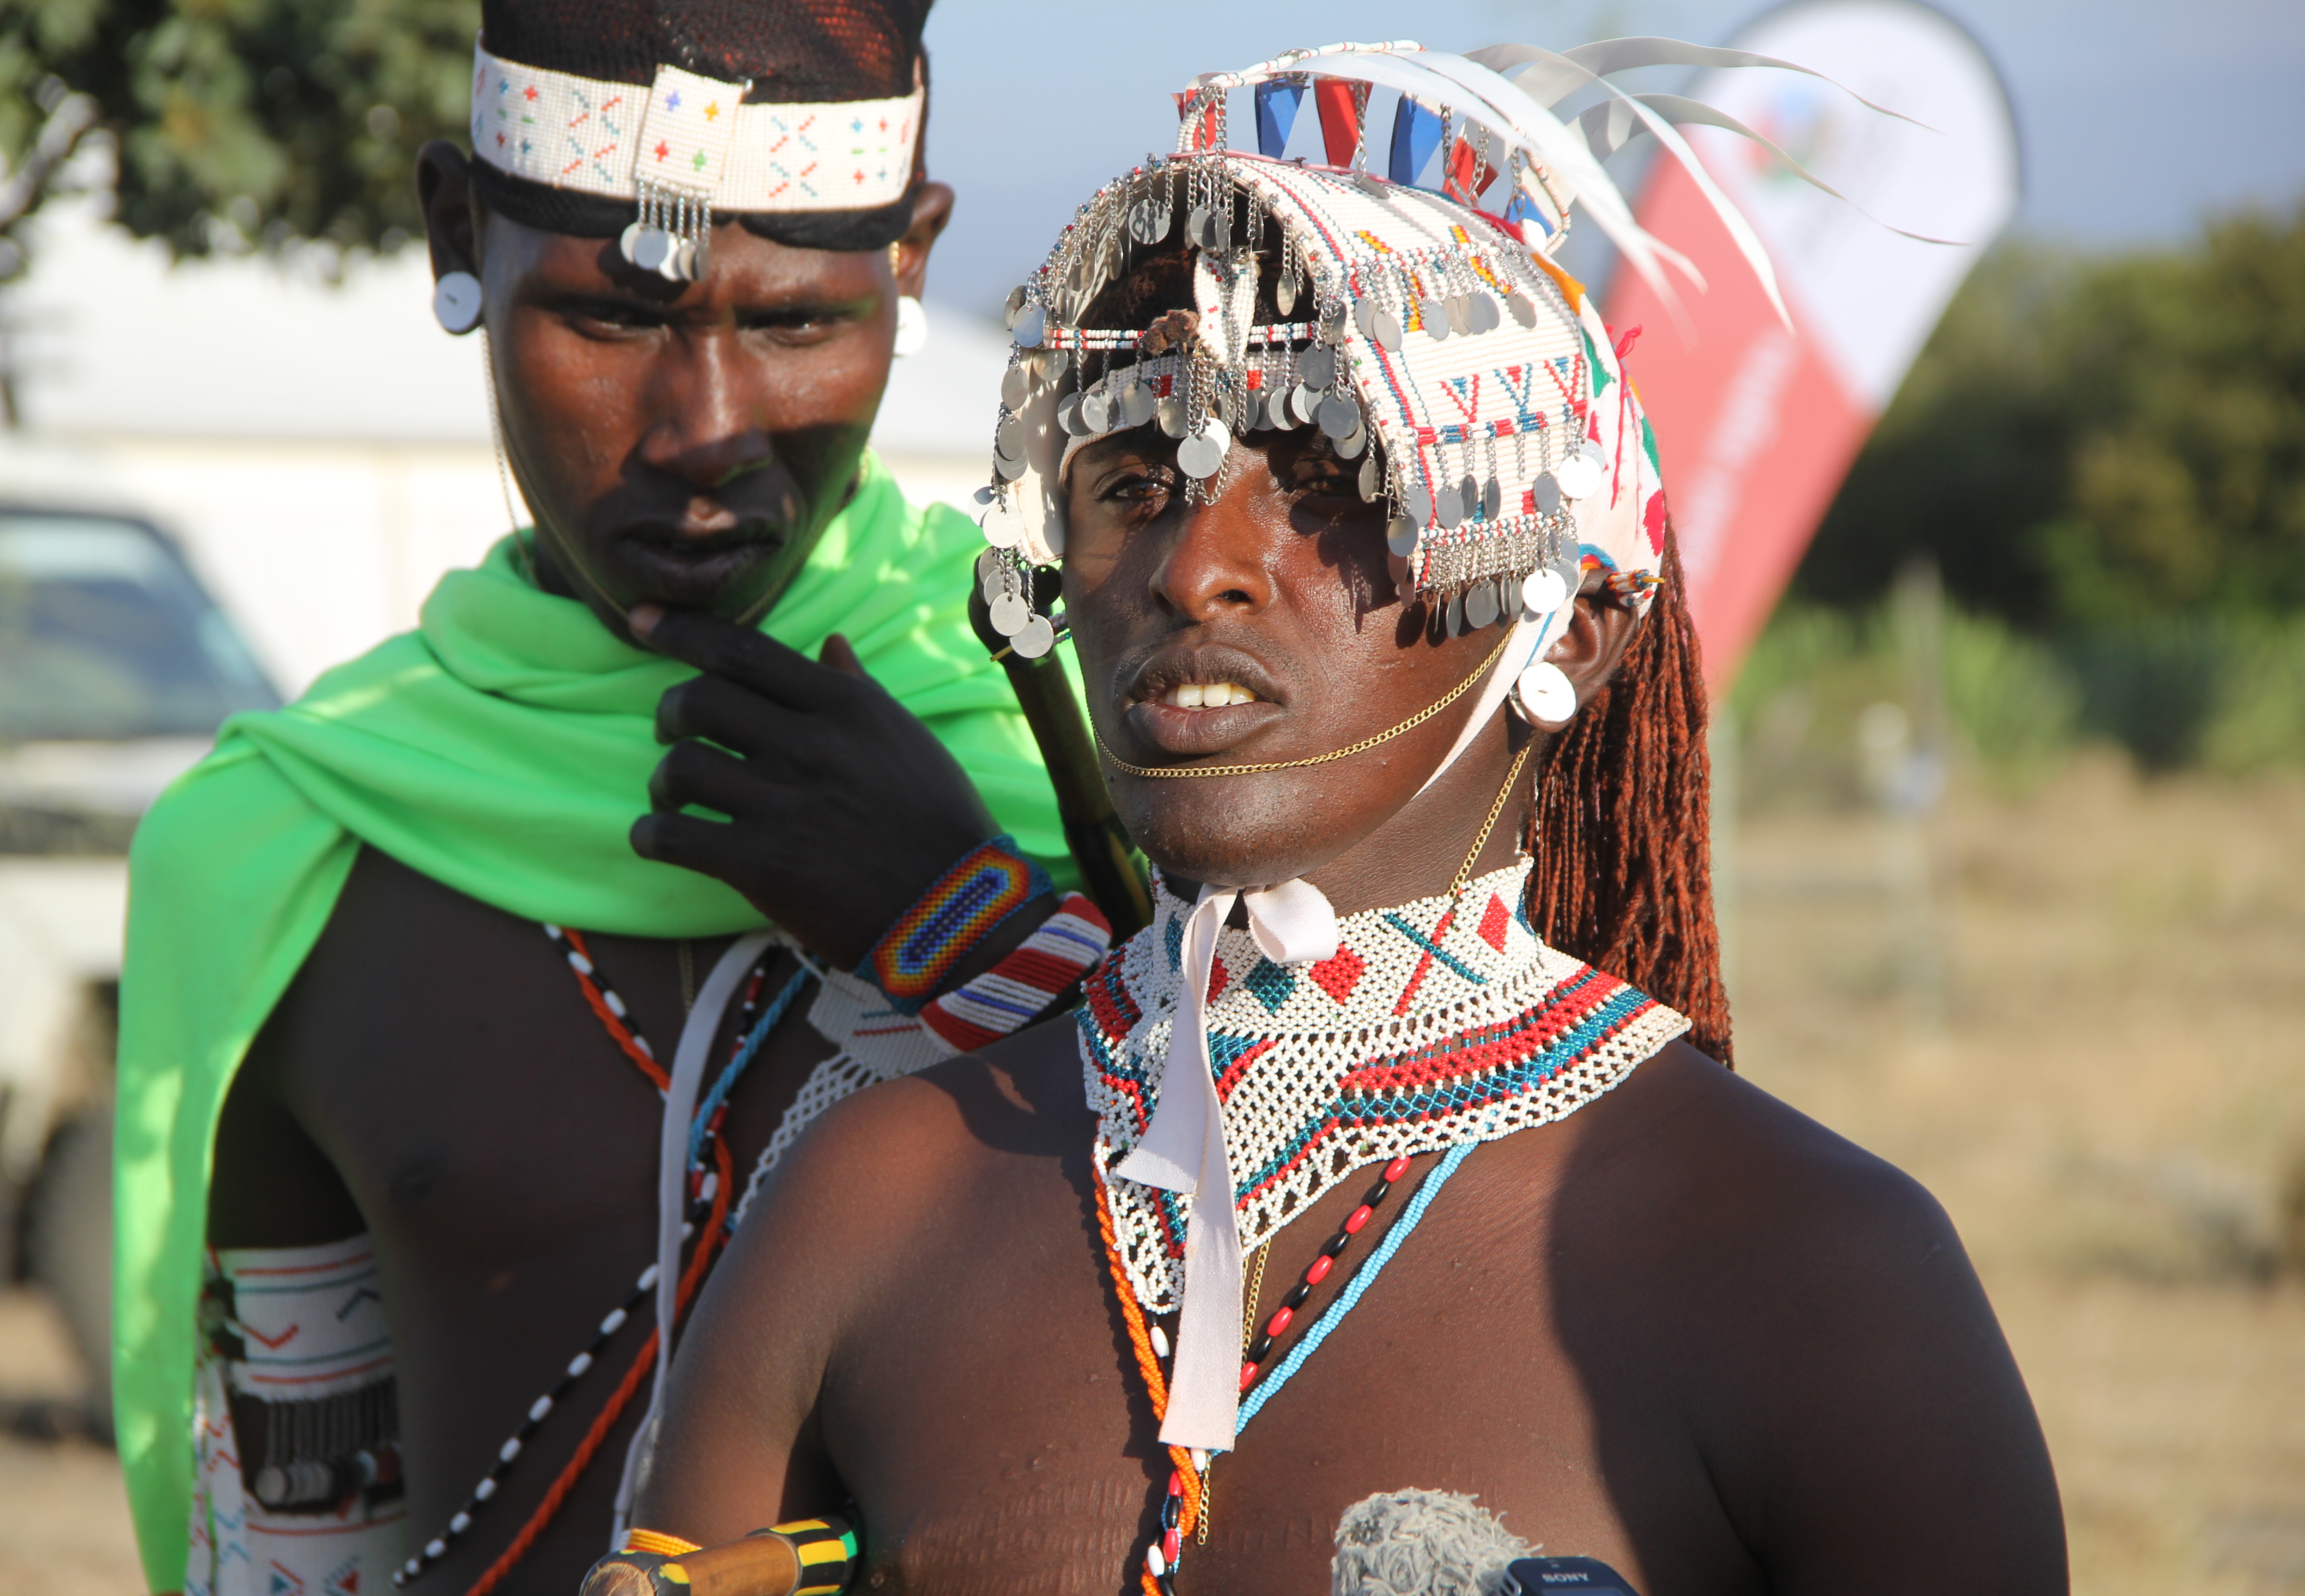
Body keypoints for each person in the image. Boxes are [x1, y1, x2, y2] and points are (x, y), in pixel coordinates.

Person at [608, 40, 2069, 1596]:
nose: (1190, 570)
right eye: (1127, 479)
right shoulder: (874, 1190)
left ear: (1568, 626)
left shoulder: (1810, 1274)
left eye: (1333, 477)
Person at [111, 5, 1117, 1596]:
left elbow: (1289, 1342)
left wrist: (970, 925)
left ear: (913, 262)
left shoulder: (1105, 757)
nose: (703, 432)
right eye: (605, 318)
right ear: (460, 236)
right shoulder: (290, 849)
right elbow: (306, 1549)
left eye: (793, 326)